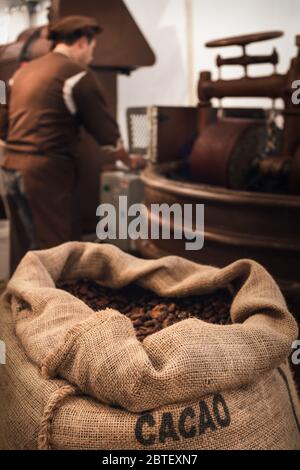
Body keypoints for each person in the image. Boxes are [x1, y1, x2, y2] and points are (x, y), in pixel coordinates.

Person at [0, 16, 142, 273]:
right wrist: (129, 160)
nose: (90, 55)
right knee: (55, 248)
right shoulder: (75, 74)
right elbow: (105, 130)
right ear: (81, 42)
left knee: (23, 246)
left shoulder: (22, 72)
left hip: (10, 168)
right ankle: (57, 308)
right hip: (44, 172)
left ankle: (19, 303)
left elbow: (3, 120)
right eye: (92, 48)